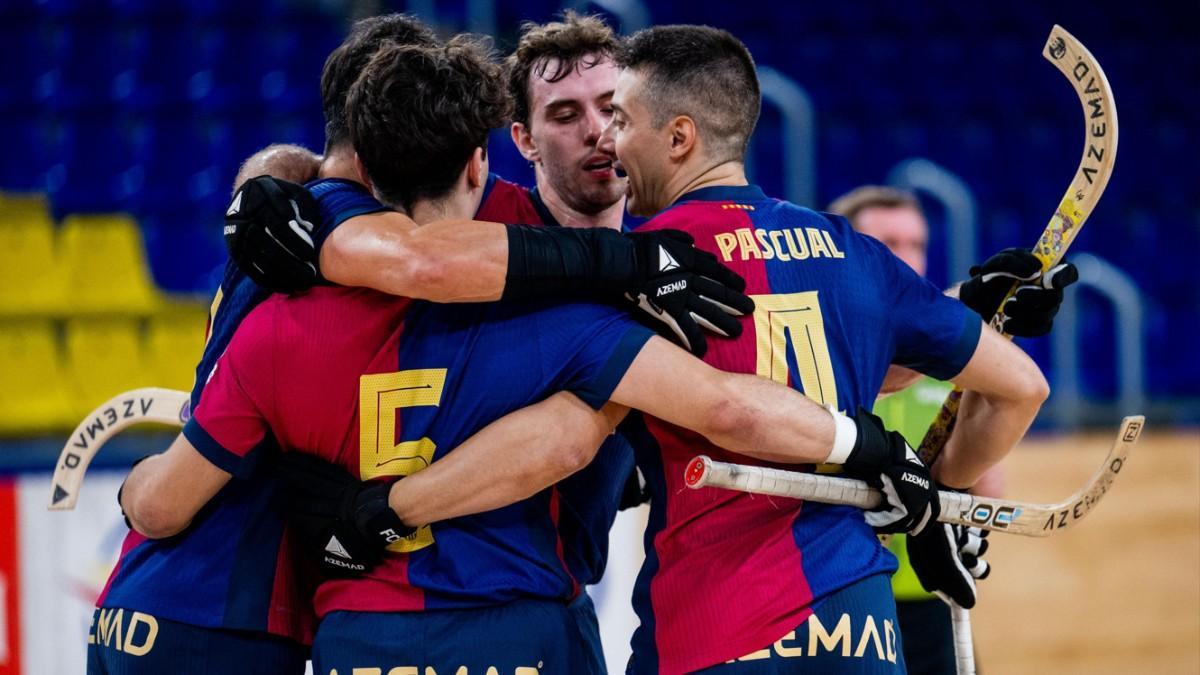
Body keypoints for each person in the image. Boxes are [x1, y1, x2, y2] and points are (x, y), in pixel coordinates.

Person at [120, 37, 941, 674]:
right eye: (564, 113)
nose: (597, 133)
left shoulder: (298, 312)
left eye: (612, 108)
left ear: (654, 122)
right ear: (505, 145)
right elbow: (582, 411)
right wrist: (865, 445)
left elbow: (840, 356)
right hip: (543, 613)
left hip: (366, 620)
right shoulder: (520, 267)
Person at [596, 25, 1050, 673]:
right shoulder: (853, 252)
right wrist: (936, 501)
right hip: (859, 622)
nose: (610, 142)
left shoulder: (636, 266)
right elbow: (1022, 386)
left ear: (678, 137)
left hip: (709, 622)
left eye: (622, 120)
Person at [829, 185, 1077, 674]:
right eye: (889, 243)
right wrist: (963, 309)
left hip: (928, 594)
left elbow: (986, 488)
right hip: (836, 596)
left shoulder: (955, 357)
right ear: (845, 252)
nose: (907, 256)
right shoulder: (820, 335)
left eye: (916, 243)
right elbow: (883, 359)